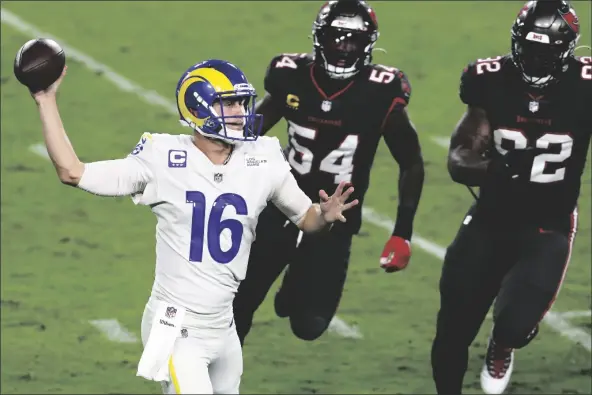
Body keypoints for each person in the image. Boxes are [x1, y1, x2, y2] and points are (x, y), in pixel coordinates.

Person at [28, 59, 359, 394]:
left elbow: (306, 220)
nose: (241, 111)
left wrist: (325, 216)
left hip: (223, 326)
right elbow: (72, 171)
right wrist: (46, 99)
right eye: (229, 103)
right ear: (200, 108)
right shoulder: (163, 157)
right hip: (172, 325)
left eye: (242, 102)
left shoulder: (262, 157)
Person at [233, 0, 424, 345]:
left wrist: (402, 232)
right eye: (336, 37)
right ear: (319, 38)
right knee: (240, 301)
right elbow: (250, 133)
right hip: (282, 202)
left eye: (352, 39)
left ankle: (296, 281)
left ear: (368, 43)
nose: (343, 47)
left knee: (309, 326)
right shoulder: (291, 75)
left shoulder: (382, 91)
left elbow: (410, 161)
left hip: (338, 215)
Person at [431, 1, 590, 394]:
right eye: (528, 48)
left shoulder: (584, 85)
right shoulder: (490, 78)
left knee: (516, 325)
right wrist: (496, 171)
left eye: (545, 51)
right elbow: (460, 157)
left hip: (548, 223)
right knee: (452, 328)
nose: (535, 59)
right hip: (491, 218)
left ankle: (502, 344)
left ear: (566, 49)